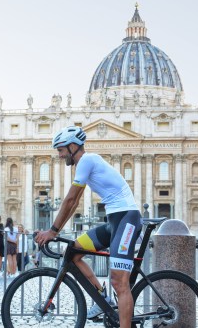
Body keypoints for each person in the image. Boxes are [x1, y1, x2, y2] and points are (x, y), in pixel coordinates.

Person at [35, 126, 142, 327]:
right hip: (114, 222)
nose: (59, 155)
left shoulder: (87, 160)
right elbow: (73, 203)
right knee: (73, 252)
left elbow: (70, 199)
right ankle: (103, 299)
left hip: (128, 218)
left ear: (73, 146)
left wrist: (53, 231)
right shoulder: (84, 164)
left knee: (120, 282)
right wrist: (54, 230)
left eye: (60, 150)